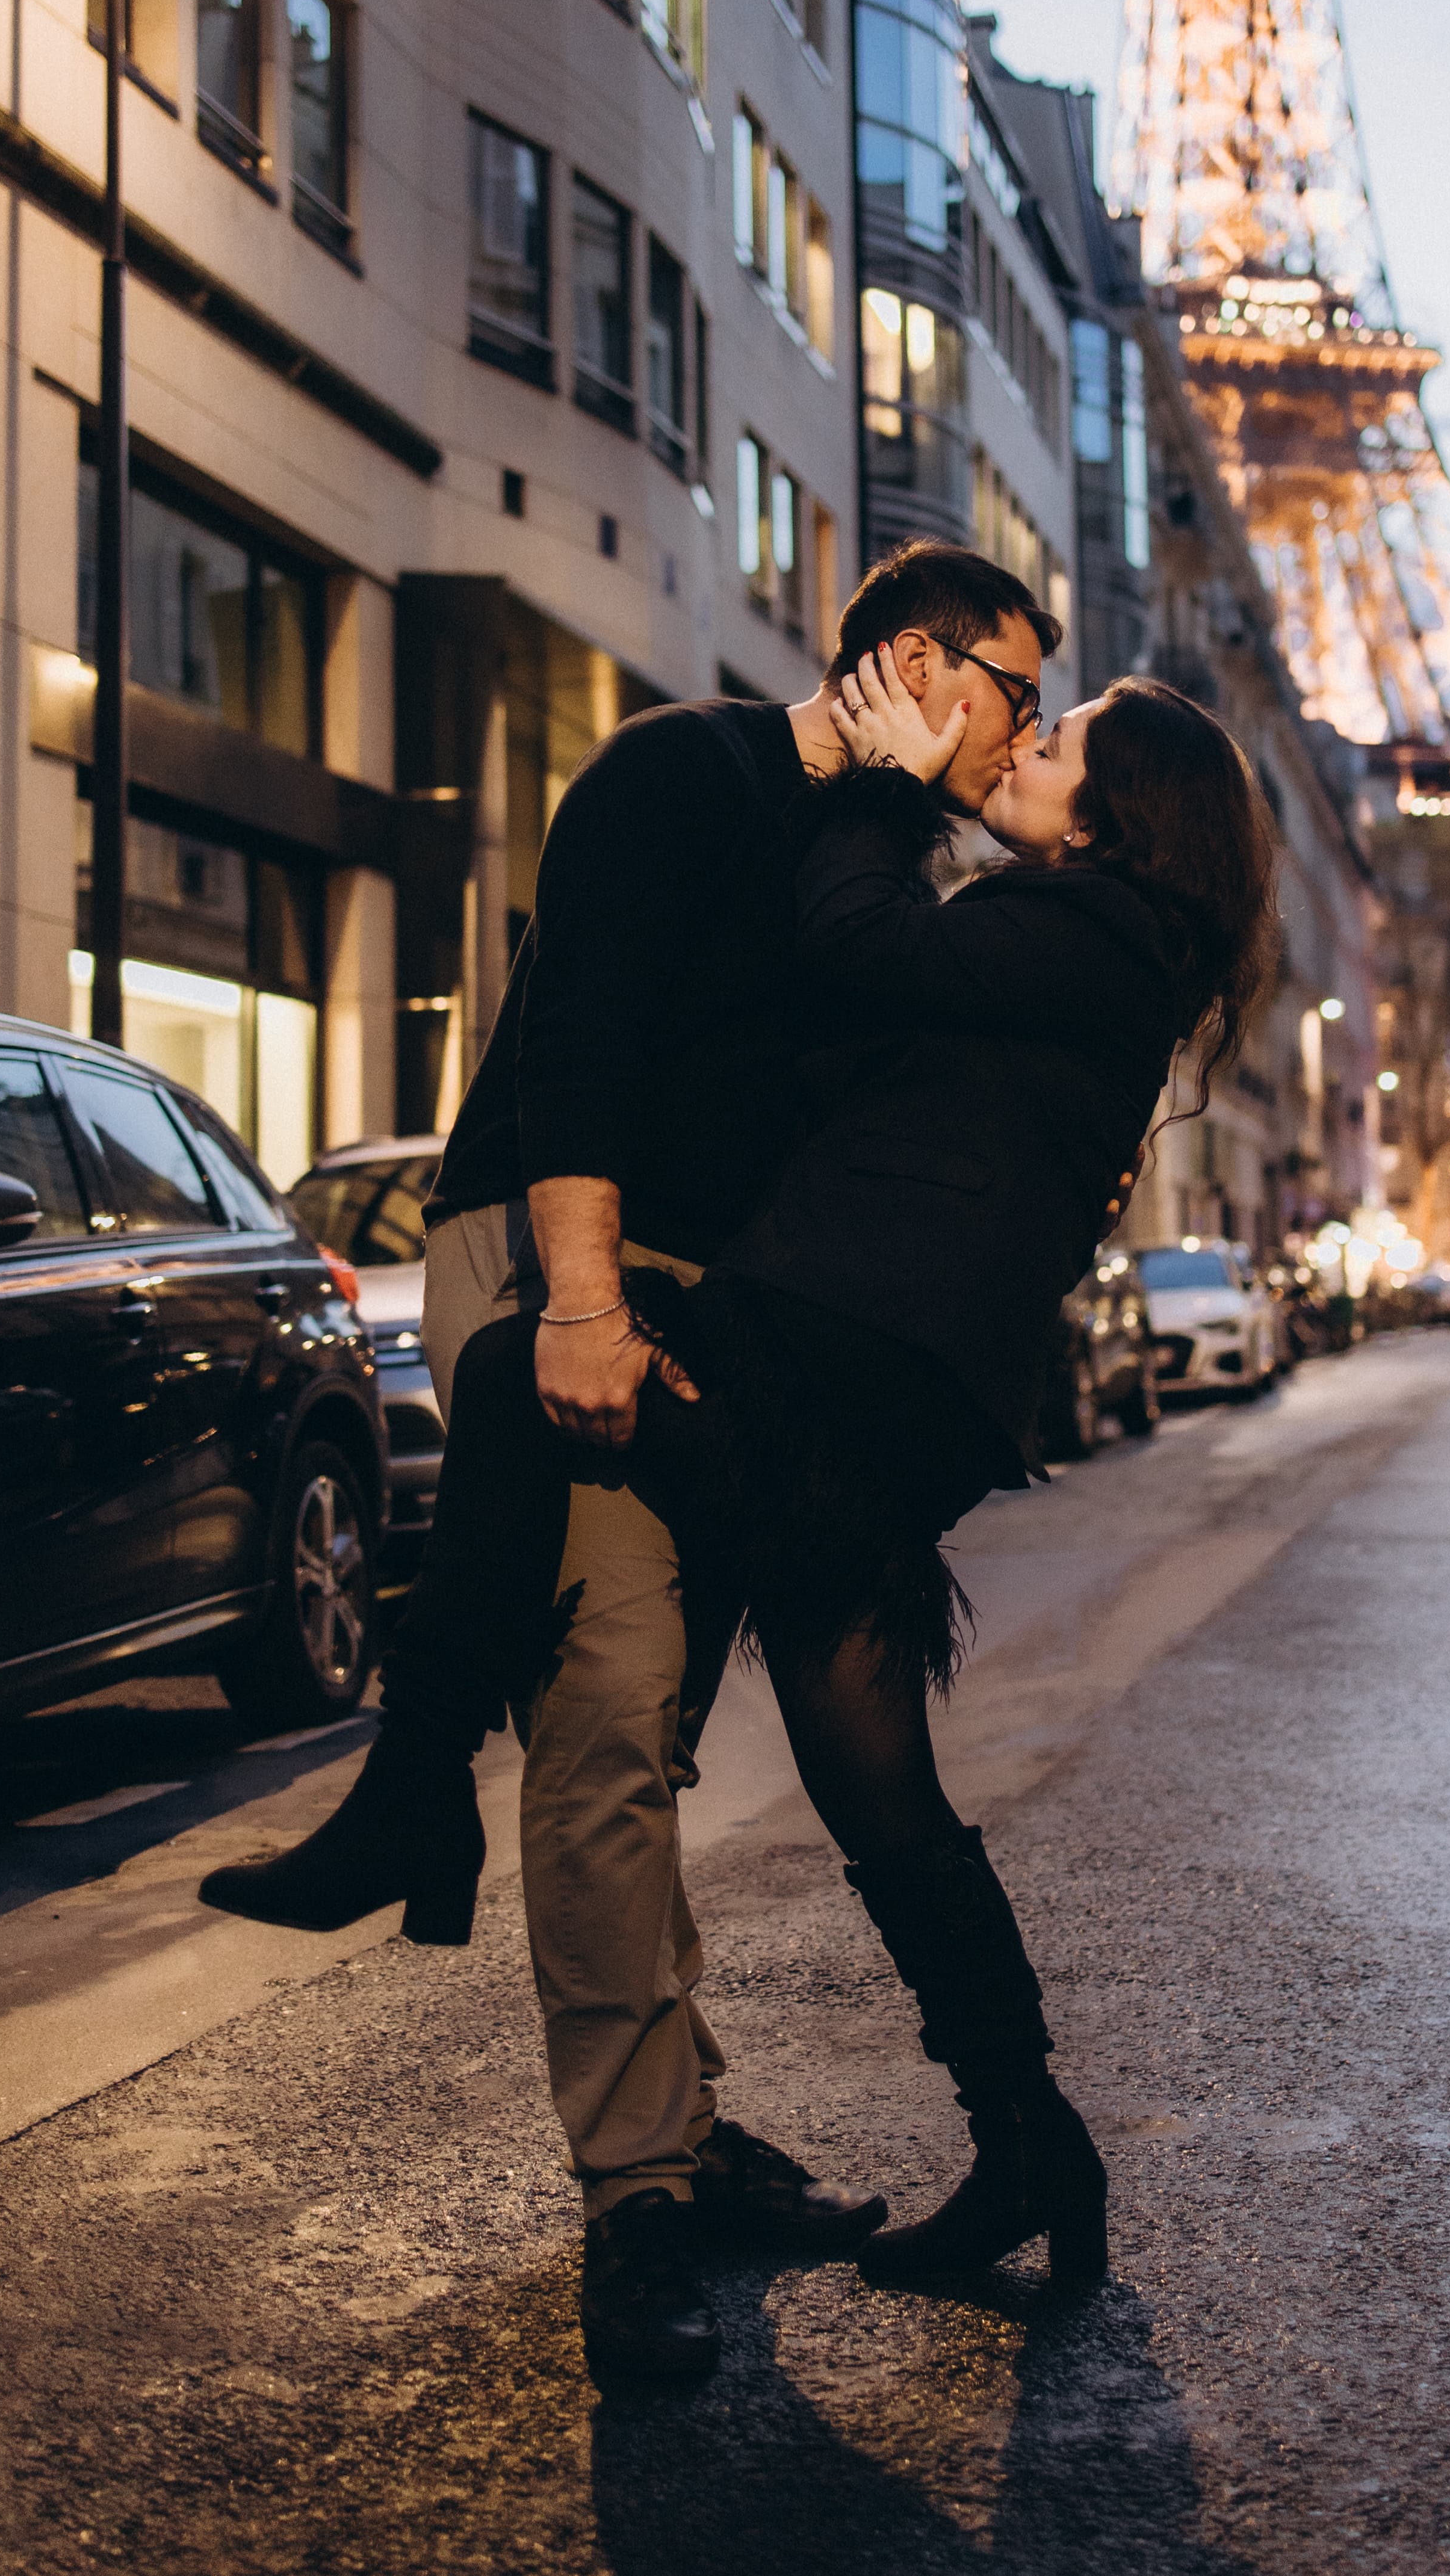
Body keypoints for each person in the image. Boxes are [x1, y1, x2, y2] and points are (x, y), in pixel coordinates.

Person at [199, 542, 1061, 2381]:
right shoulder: (685, 768)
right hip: (560, 1254)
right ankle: (638, 2199)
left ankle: (670, 2117)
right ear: (917, 664)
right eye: (1012, 688)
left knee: (646, 1725)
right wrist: (582, 1301)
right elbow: (579, 1045)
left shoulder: (883, 866)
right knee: (606, 1703)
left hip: (709, 1319)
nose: (1023, 727)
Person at [387, 646, 1278, 2324]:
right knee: (881, 1792)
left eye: (1065, 737)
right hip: (886, 1383)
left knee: (532, 1371)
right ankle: (1033, 2146)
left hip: (854, 1375)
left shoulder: (1090, 925)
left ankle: (413, 1773)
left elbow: (866, 940)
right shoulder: (1096, 939)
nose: (1032, 741)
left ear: (1117, 815)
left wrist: (881, 785)